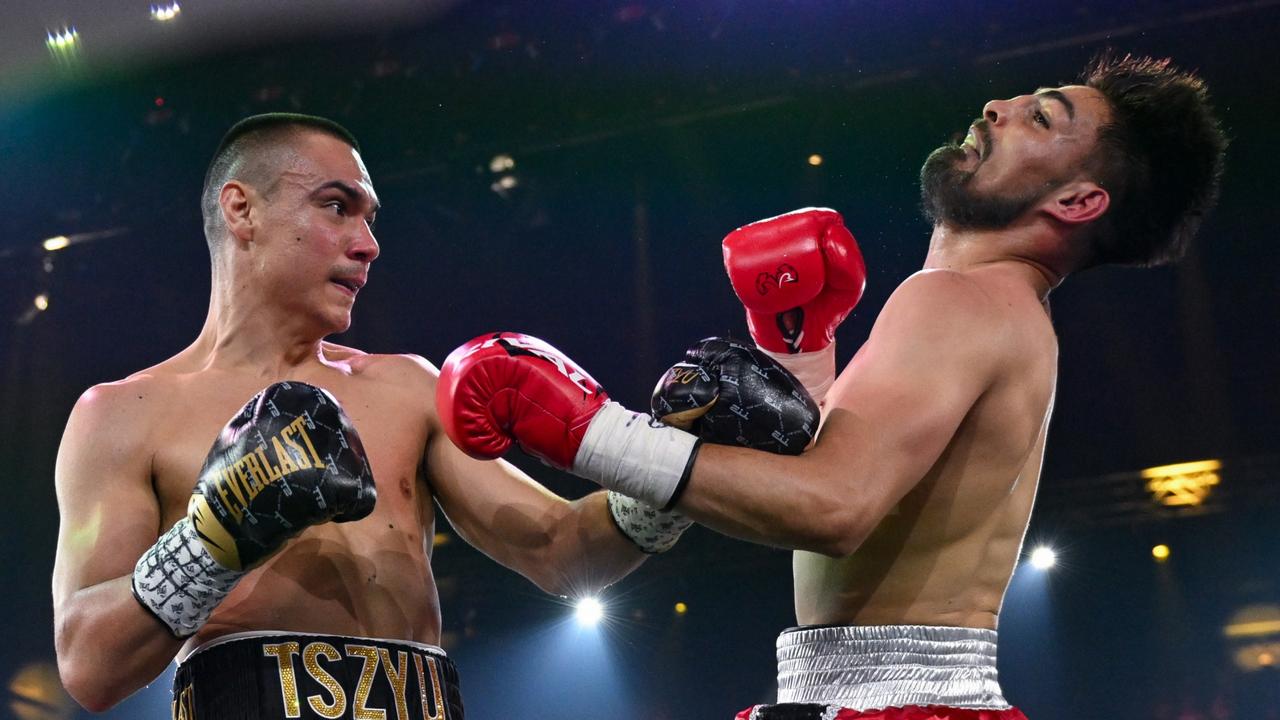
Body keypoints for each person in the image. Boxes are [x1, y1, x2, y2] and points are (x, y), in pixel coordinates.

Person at [436, 52, 1227, 719]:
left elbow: (834, 507)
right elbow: (861, 501)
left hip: (893, 702)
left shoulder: (956, 301)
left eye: (1041, 118)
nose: (997, 106)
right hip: (902, 698)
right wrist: (802, 350)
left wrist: (589, 431)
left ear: (1078, 201)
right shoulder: (1004, 314)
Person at [50, 113, 693, 719]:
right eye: (337, 207)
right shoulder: (124, 415)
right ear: (242, 210)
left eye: (371, 218)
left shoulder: (408, 388)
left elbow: (564, 552)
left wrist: (681, 467)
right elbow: (88, 666)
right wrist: (212, 538)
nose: (369, 245)